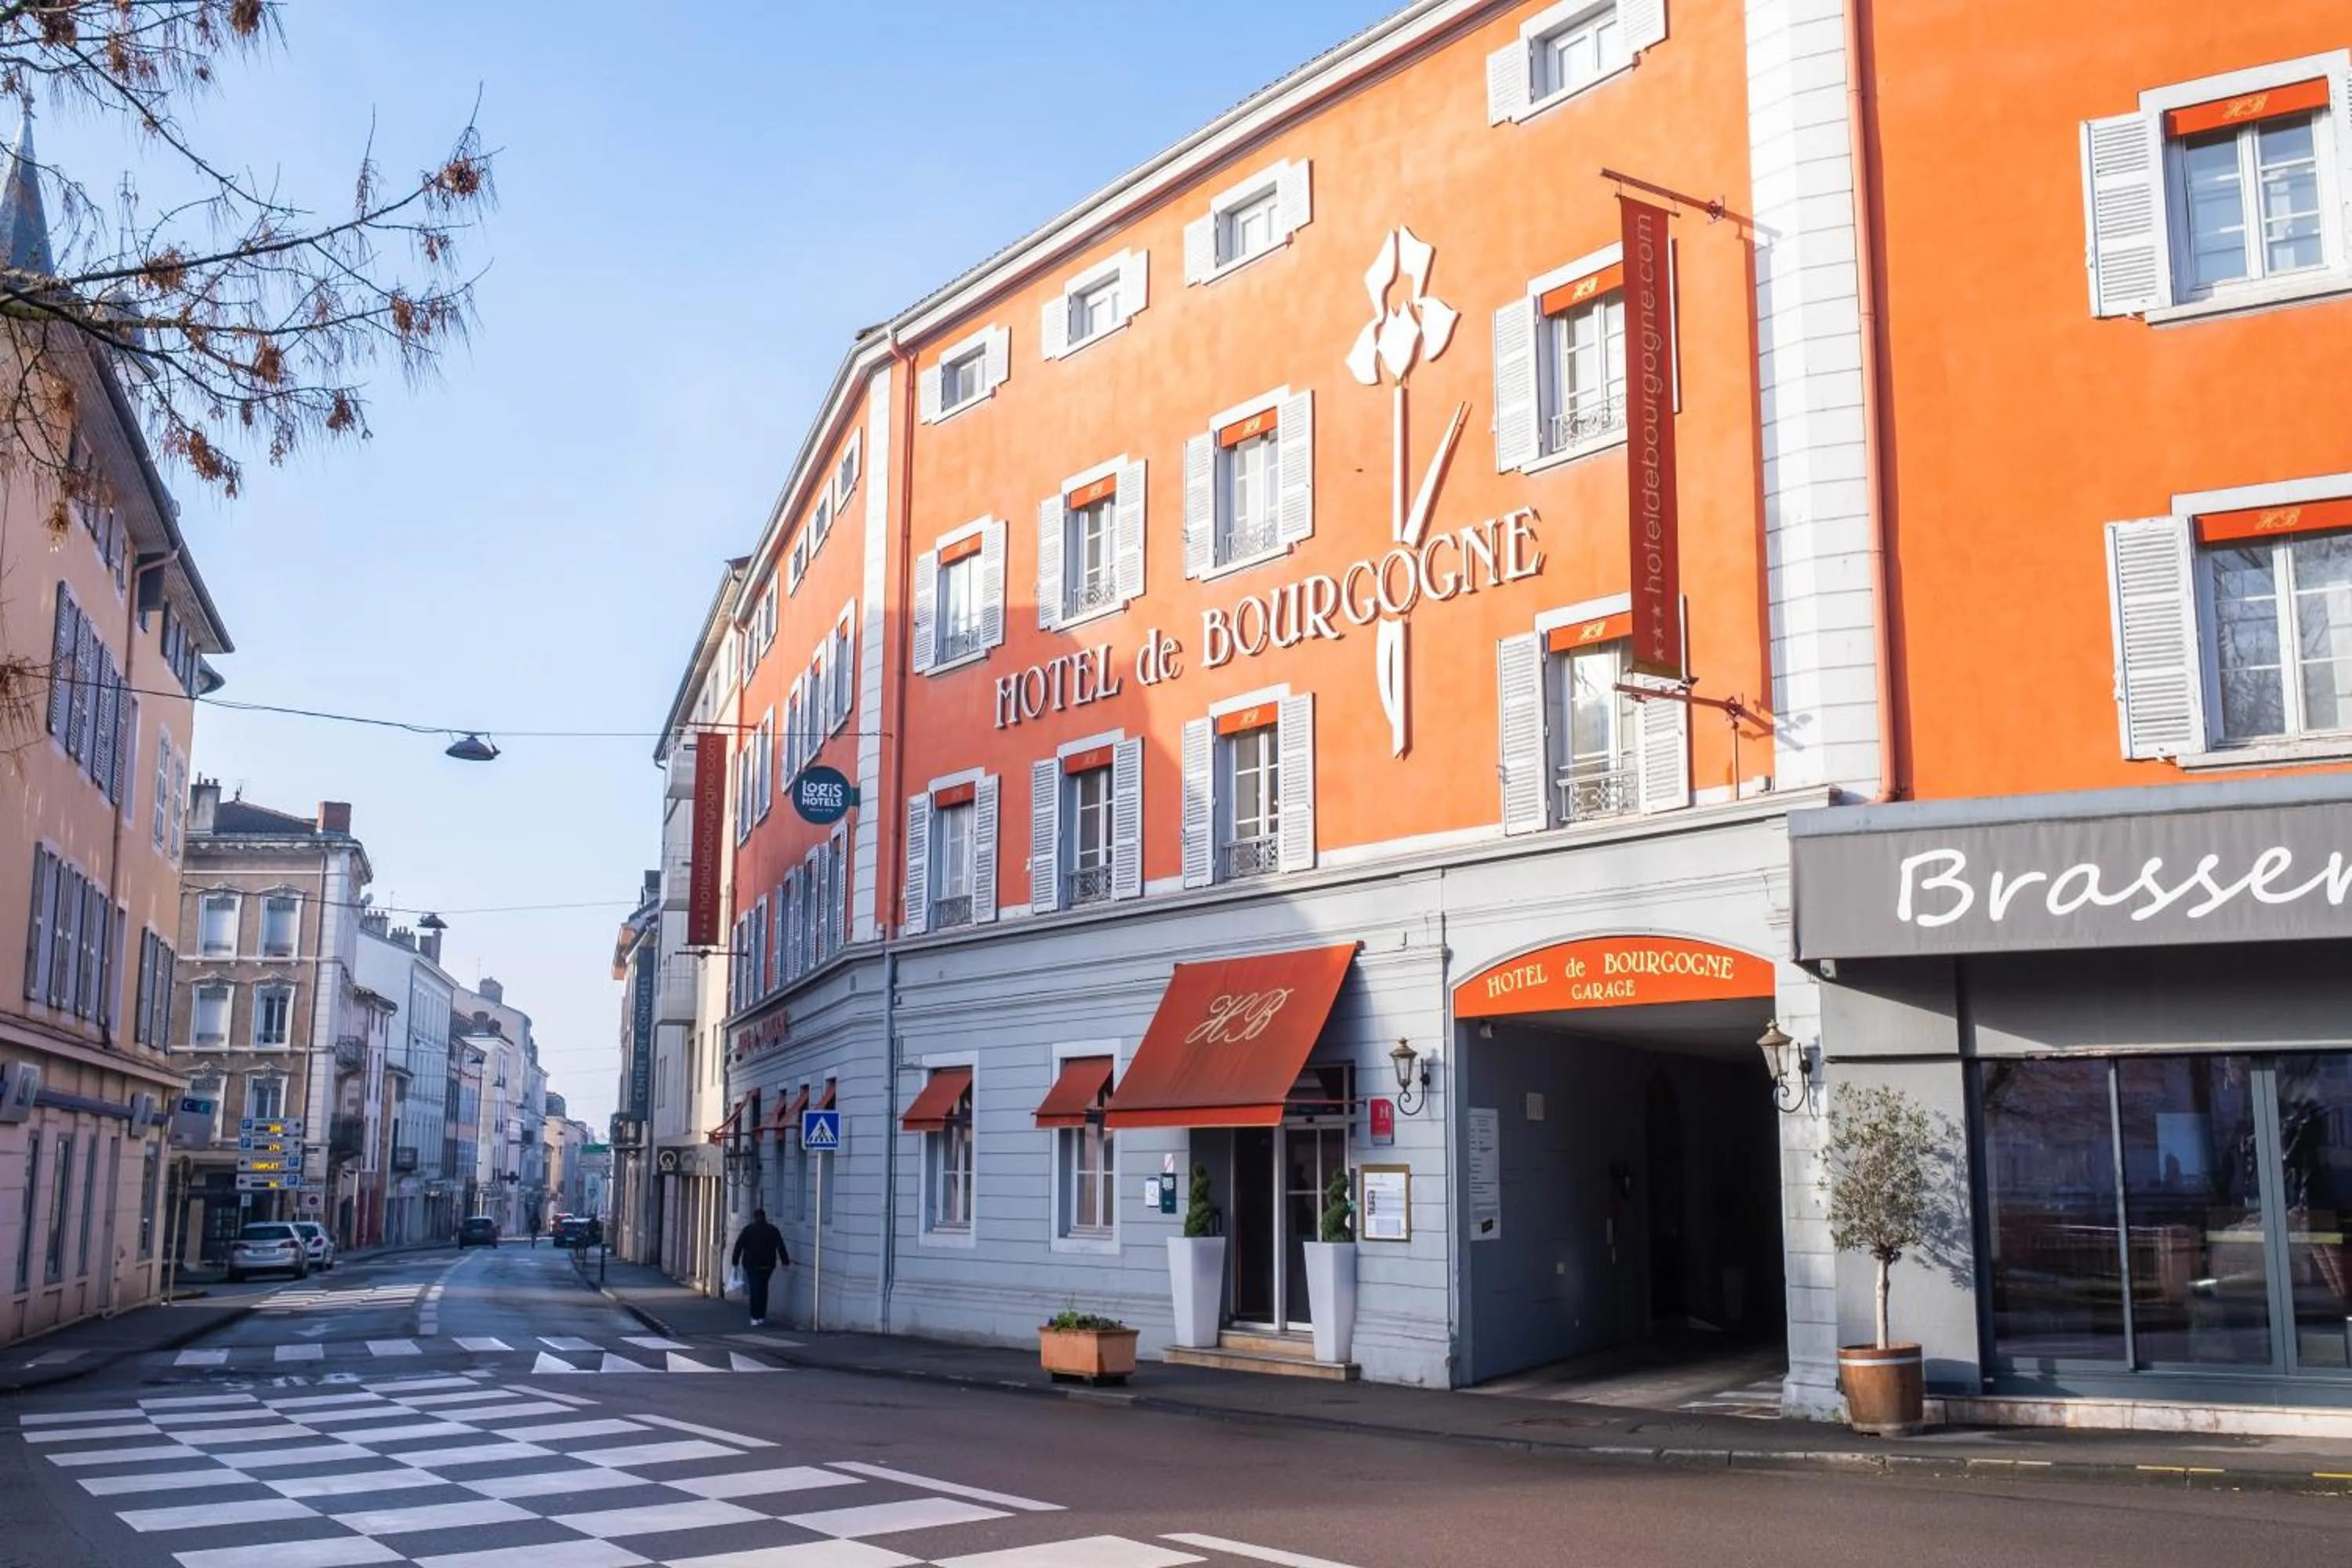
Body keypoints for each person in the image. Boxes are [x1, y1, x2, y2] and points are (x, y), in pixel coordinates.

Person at [730, 1207, 789, 1327]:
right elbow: (780, 1245)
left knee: (754, 1290)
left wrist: (735, 1261)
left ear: (755, 1217)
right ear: (764, 1217)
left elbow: (739, 1245)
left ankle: (754, 1316)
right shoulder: (772, 1230)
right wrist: (785, 1261)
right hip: (767, 1265)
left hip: (751, 1264)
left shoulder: (749, 1230)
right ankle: (761, 1315)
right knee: (763, 1289)